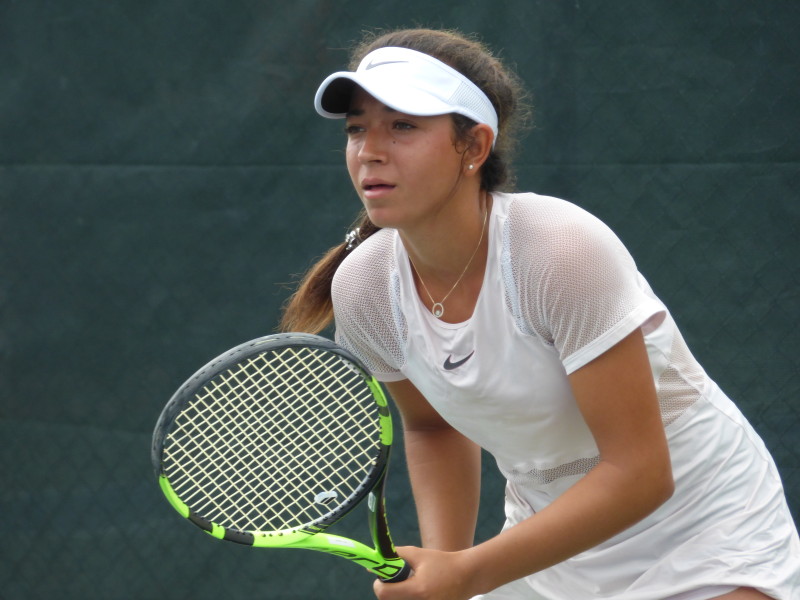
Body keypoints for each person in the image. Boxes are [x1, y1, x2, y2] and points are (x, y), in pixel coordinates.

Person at [280, 28, 800, 600]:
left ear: (473, 148)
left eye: (403, 125)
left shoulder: (558, 252)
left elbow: (641, 472)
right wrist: (445, 569)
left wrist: (470, 573)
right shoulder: (365, 289)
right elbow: (431, 425)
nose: (369, 150)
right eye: (357, 129)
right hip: (549, 550)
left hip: (702, 532)